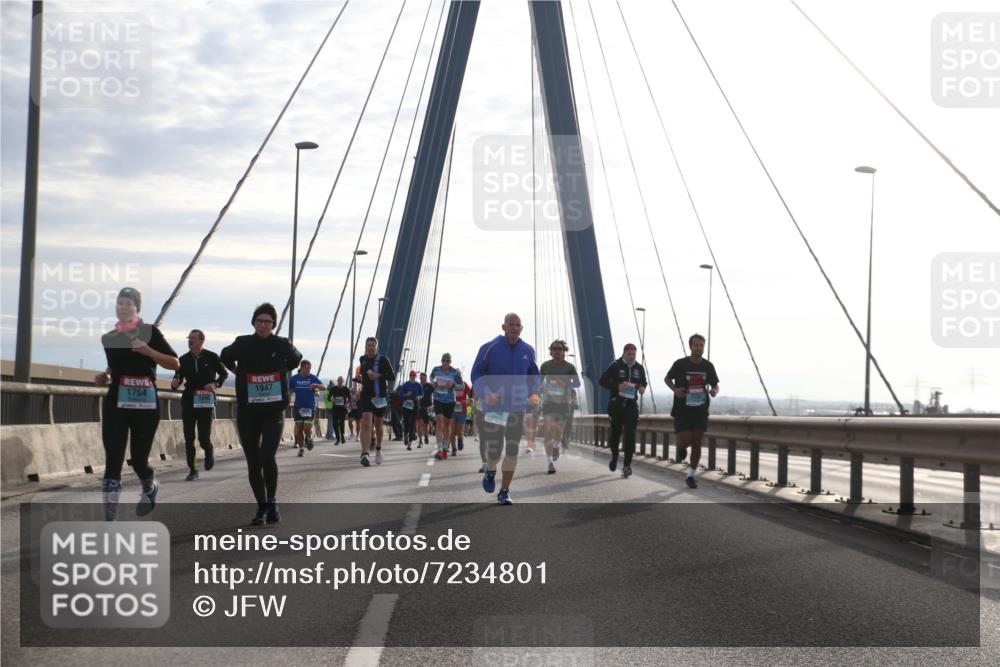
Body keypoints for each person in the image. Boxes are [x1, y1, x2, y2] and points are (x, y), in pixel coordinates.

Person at [96, 287, 179, 520]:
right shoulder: (109, 338)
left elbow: (174, 364)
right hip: (117, 402)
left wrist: (148, 350)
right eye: (120, 303)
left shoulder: (150, 332)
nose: (123, 307)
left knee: (139, 460)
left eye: (128, 303)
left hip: (145, 404)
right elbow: (118, 365)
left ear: (137, 308)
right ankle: (109, 519)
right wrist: (105, 376)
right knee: (113, 458)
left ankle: (149, 486)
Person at [220, 302, 302, 525]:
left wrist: (282, 371)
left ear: (273, 324)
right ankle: (262, 507)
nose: (263, 325)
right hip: (248, 411)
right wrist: (237, 371)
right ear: (253, 323)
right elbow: (224, 356)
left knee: (267, 456)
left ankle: (272, 500)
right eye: (259, 321)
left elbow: (296, 359)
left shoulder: (281, 344)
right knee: (253, 462)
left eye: (267, 322)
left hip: (273, 411)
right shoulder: (243, 343)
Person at [471, 313, 541, 505]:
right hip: (495, 407)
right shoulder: (489, 348)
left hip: (517, 407)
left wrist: (534, 394)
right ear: (503, 326)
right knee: (494, 450)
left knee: (512, 449)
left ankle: (504, 491)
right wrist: (486, 393)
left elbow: (534, 376)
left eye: (518, 325)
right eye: (511, 324)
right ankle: (490, 470)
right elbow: (476, 373)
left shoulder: (527, 350)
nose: (514, 328)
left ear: (521, 328)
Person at [171, 329, 228, 481]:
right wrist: (175, 384)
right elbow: (177, 379)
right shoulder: (183, 359)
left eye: (193, 338)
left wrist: (216, 384)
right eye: (188, 338)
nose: (190, 341)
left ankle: (208, 451)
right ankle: (193, 469)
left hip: (205, 399)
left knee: (203, 437)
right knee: (189, 438)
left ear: (201, 341)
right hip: (189, 399)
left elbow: (224, 373)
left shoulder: (212, 357)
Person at [665, 334, 720, 489]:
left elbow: (715, 384)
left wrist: (714, 391)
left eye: (701, 345)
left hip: (701, 409)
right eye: (696, 345)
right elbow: (667, 379)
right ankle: (681, 448)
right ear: (690, 346)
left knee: (697, 441)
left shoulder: (708, 366)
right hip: (682, 409)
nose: (698, 348)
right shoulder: (680, 364)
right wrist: (675, 390)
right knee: (684, 439)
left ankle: (690, 476)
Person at [598, 343, 648, 479]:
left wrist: (642, 387)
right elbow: (602, 381)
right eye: (629, 354)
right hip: (616, 404)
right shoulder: (615, 365)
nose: (631, 357)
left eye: (634, 354)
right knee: (615, 434)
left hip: (631, 406)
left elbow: (643, 382)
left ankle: (627, 466)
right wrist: (617, 386)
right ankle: (614, 457)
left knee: (630, 434)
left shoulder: (639, 368)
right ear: (624, 353)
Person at [539, 339, 580, 475]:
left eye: (560, 349)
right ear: (551, 352)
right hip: (549, 402)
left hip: (563, 403)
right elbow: (538, 382)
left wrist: (566, 383)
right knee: (548, 431)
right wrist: (539, 388)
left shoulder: (569, 367)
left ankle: (556, 446)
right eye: (554, 349)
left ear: (564, 352)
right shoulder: (545, 366)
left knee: (558, 432)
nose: (557, 351)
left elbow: (577, 383)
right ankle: (550, 462)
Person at [356, 337, 396, 466]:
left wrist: (379, 375)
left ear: (376, 347)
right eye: (368, 345)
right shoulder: (363, 359)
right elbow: (364, 375)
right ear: (365, 347)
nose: (370, 347)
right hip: (366, 395)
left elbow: (391, 376)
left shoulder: (383, 359)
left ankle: (378, 448)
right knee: (366, 423)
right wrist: (359, 380)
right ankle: (365, 453)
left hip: (380, 396)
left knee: (379, 425)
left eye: (373, 345)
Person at [289, 360, 325, 457]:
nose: (308, 370)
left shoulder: (312, 377)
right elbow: (290, 391)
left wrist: (316, 385)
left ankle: (309, 438)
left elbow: (323, 387)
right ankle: (301, 449)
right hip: (298, 407)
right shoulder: (294, 378)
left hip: (309, 407)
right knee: (299, 429)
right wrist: (286, 401)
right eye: (307, 368)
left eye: (309, 368)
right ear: (301, 367)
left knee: (306, 429)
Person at [430, 353, 462, 460]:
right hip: (438, 399)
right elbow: (431, 377)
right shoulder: (436, 369)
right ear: (441, 361)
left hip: (450, 401)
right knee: (439, 421)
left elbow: (461, 385)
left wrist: (453, 385)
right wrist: (433, 383)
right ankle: (439, 449)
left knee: (447, 424)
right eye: (444, 361)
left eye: (448, 361)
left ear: (450, 362)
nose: (445, 363)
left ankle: (445, 449)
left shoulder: (455, 372)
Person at [398, 370, 424, 450]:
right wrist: (406, 395)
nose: (412, 377)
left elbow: (422, 394)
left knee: (412, 423)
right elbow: (400, 395)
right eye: (411, 375)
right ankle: (405, 435)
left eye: (414, 375)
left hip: (415, 405)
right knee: (406, 422)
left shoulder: (418, 385)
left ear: (415, 377)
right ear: (409, 376)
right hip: (406, 405)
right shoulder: (405, 385)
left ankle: (409, 443)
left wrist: (419, 397)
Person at [450, 376, 472, 456]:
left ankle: (460, 439)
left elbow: (471, 397)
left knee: (459, 431)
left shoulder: (464, 384)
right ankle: (453, 448)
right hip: (452, 410)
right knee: (451, 431)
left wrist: (467, 401)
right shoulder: (451, 385)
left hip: (462, 411)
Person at [328, 376, 351, 444]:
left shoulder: (345, 389)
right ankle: (338, 439)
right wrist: (332, 400)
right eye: (339, 380)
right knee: (335, 424)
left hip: (342, 408)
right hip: (335, 408)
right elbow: (328, 398)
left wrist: (347, 403)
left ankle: (342, 436)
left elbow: (349, 398)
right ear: (337, 381)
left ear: (343, 381)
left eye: (341, 380)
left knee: (341, 423)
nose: (340, 381)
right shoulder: (333, 388)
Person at [417, 371, 433, 446]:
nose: (422, 379)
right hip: (419, 407)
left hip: (428, 407)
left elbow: (435, 393)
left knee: (426, 424)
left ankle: (426, 435)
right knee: (420, 424)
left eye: (423, 378)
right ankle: (420, 441)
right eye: (421, 378)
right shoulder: (417, 385)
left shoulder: (429, 386)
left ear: (426, 378)